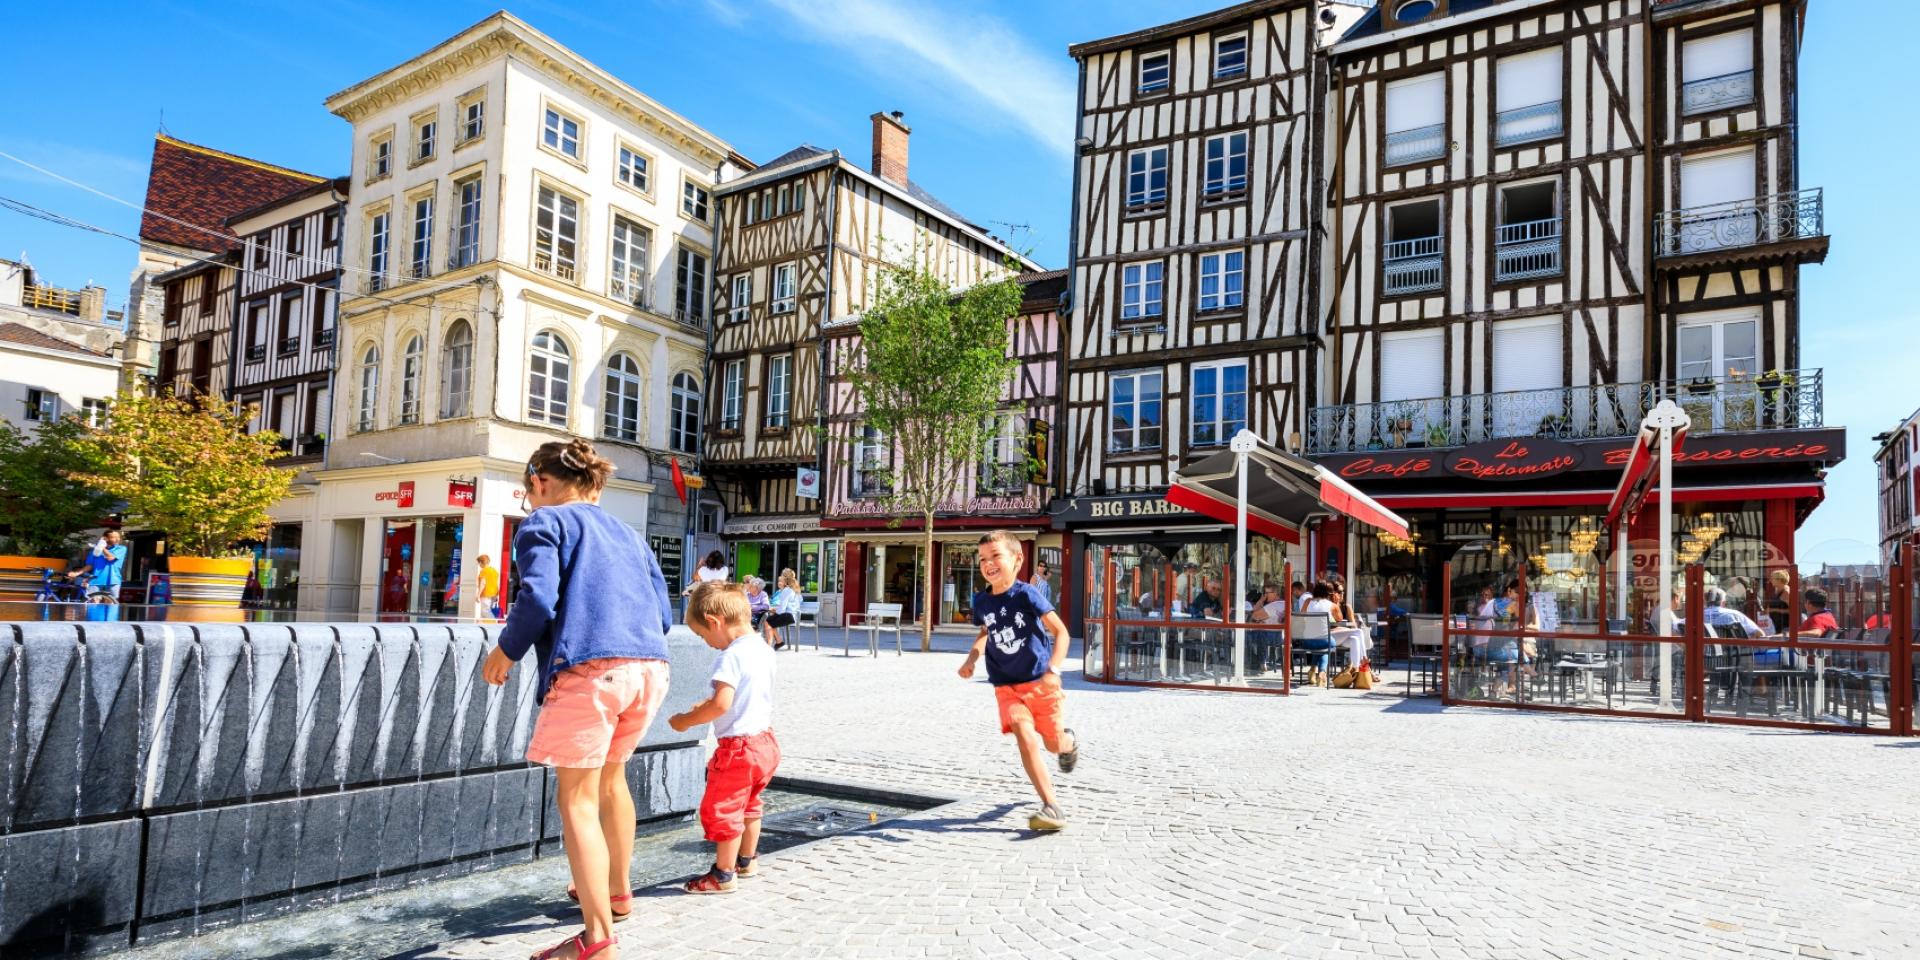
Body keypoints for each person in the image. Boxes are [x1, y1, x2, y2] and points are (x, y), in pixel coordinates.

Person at [481, 439, 674, 960]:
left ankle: (596, 939)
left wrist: (506, 650)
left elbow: (537, 597)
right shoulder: (630, 535)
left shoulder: (544, 524)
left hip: (592, 672)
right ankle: (618, 891)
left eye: (528, 491)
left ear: (540, 482)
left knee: (577, 802)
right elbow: (664, 614)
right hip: (650, 670)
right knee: (612, 781)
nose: (529, 501)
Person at [958, 530, 1080, 831]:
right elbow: (986, 631)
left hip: (1041, 682)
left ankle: (1069, 742)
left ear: (1017, 559)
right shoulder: (982, 602)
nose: (989, 564)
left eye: (996, 556)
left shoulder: (1027, 593)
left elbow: (1061, 632)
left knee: (1054, 745)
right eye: (983, 559)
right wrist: (972, 658)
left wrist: (1055, 669)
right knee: (1024, 736)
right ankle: (1052, 806)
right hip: (1006, 687)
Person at [669, 581, 780, 895]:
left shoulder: (730, 656)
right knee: (750, 805)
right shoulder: (762, 647)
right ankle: (747, 860)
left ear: (715, 622)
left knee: (725, 809)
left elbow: (721, 703)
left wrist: (685, 721)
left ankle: (723, 874)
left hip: (738, 748)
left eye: (703, 636)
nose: (707, 643)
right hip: (765, 743)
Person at [71, 530, 127, 603]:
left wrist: (101, 547)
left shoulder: (121, 548)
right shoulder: (95, 550)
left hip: (113, 581)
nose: (117, 539)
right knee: (93, 605)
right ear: (105, 538)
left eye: (118, 537)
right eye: (114, 537)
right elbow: (90, 565)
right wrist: (76, 573)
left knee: (111, 606)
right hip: (95, 580)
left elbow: (111, 558)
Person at [765, 569, 801, 650]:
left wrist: (774, 610)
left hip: (788, 615)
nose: (780, 577)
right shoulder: (794, 588)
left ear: (785, 579)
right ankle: (778, 642)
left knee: (768, 622)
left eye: (782, 575)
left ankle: (769, 645)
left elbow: (782, 609)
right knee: (770, 621)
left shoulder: (787, 590)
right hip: (792, 615)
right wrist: (776, 610)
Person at [475, 554, 501, 620]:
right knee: (485, 612)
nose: (479, 565)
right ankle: (484, 627)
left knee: (485, 612)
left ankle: (493, 625)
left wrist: (478, 595)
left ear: (481, 562)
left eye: (479, 563)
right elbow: (496, 583)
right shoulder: (494, 571)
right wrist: (497, 595)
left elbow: (483, 583)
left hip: (486, 593)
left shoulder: (484, 571)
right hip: (494, 594)